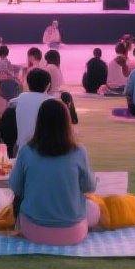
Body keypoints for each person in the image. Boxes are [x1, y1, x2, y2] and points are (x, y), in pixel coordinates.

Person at [9, 98, 102, 245]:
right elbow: (90, 187)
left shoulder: (26, 151)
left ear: (39, 122)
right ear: (67, 123)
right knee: (94, 208)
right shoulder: (79, 152)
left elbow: (15, 186)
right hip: (73, 233)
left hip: (33, 230)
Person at [10, 68, 54, 152]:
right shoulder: (52, 102)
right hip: (47, 151)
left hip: (22, 149)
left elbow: (10, 103)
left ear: (27, 83)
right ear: (48, 85)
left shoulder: (21, 98)